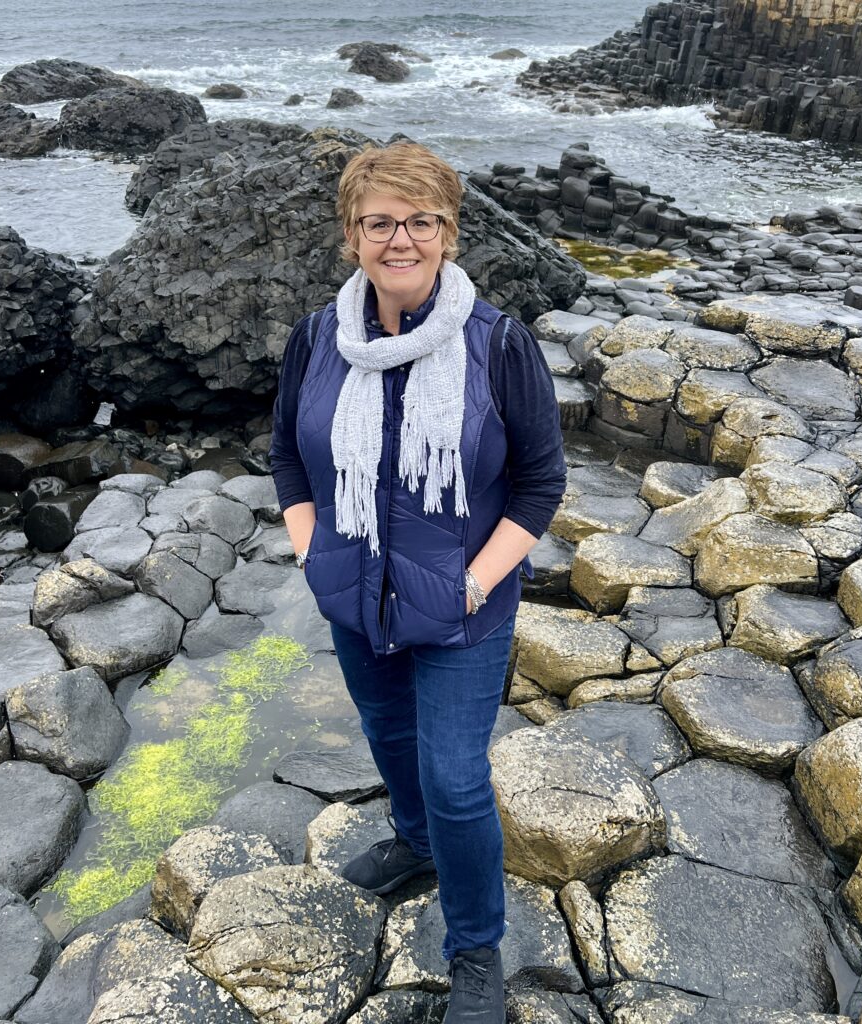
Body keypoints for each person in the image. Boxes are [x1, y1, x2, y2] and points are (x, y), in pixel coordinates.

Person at [269, 141, 566, 1023]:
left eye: (421, 221)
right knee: (388, 736)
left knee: (457, 777)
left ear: (448, 231)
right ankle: (415, 845)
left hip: (464, 607)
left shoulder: (499, 342)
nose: (401, 239)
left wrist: (474, 584)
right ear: (352, 235)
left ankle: (476, 949)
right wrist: (310, 550)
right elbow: (288, 452)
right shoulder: (319, 337)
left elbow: (542, 483)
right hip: (354, 594)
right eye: (380, 222)